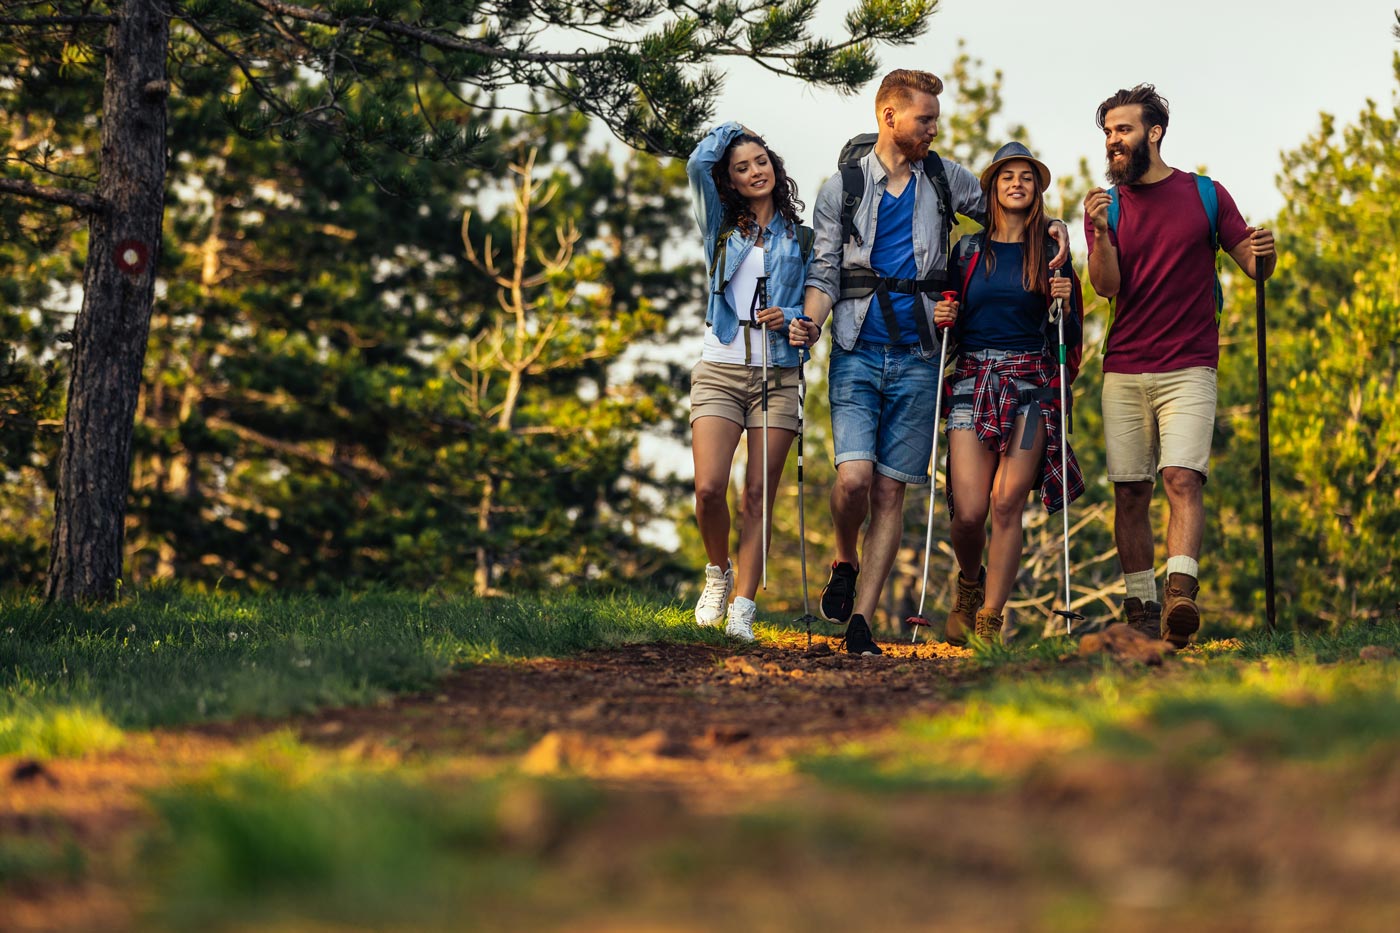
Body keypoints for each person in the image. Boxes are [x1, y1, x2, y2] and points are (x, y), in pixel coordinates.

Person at [794, 69, 1069, 655]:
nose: (934, 129)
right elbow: (823, 271)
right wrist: (811, 322)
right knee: (853, 481)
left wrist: (1057, 228)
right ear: (890, 117)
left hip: (921, 353)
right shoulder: (840, 188)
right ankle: (845, 558)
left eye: (936, 119)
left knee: (893, 492)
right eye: (925, 119)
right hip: (854, 346)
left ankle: (861, 625)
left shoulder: (944, 178)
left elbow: (1011, 207)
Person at [1082, 84, 1275, 647]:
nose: (1114, 142)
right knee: (1130, 491)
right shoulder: (1109, 206)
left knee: (1182, 477)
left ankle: (1179, 595)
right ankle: (1140, 604)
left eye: (1123, 130)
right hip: (1124, 366)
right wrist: (1096, 233)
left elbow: (1253, 267)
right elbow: (1104, 286)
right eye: (1108, 133)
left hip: (1190, 364)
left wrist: (1265, 252)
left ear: (1154, 132)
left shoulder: (1206, 195)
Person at [936, 142, 1084, 645]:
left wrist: (1062, 302)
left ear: (1038, 189)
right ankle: (970, 583)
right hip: (972, 383)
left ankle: (990, 618)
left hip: (1031, 390)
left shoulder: (1054, 255)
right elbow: (946, 320)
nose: (1017, 183)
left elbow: (1073, 336)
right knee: (971, 510)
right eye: (1007, 176)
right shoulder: (968, 252)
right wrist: (942, 318)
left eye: (1027, 177)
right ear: (992, 187)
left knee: (1006, 503)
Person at [686, 121, 812, 642]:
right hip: (720, 367)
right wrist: (735, 130)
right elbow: (697, 163)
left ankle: (742, 609)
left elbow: (812, 307)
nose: (754, 171)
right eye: (742, 167)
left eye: (761, 161)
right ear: (730, 181)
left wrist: (798, 320)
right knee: (709, 488)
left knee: (758, 494)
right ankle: (719, 572)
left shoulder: (800, 236)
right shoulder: (719, 224)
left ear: (774, 168)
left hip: (777, 374)